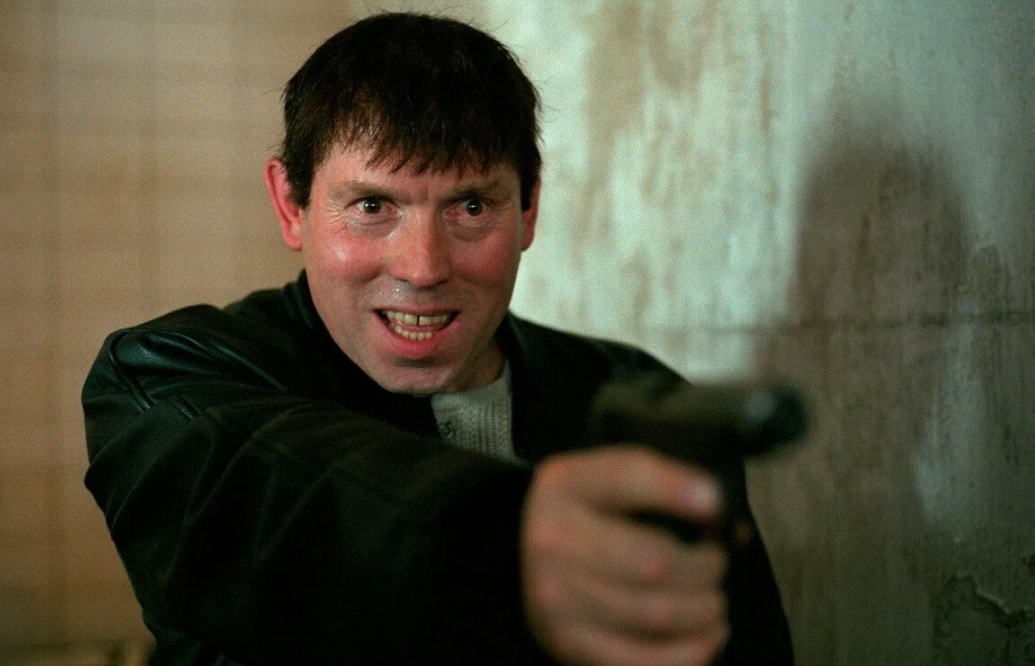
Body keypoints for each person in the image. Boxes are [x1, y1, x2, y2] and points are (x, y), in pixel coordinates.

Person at [82, 12, 792, 666]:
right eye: (372, 205)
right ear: (291, 205)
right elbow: (273, 502)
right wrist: (505, 548)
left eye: (471, 206)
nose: (423, 268)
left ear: (529, 209)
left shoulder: (633, 397)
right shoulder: (165, 376)